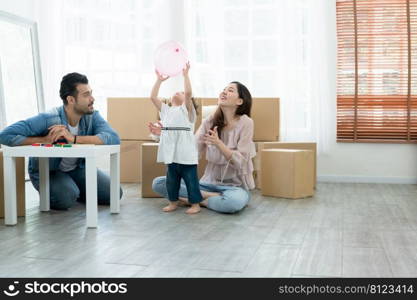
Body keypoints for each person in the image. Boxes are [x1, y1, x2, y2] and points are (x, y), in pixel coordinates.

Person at [0, 72, 122, 210]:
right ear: (71, 100)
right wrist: (44, 139)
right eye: (86, 95)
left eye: (91, 93)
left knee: (115, 193)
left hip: (77, 169)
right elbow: (5, 135)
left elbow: (113, 138)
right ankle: (68, 191)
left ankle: (75, 189)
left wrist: (73, 138)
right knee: (66, 198)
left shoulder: (92, 116)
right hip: (50, 171)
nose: (92, 99)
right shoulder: (49, 118)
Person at [150, 81, 255, 214]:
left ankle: (196, 199)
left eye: (230, 90)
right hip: (207, 184)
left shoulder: (246, 123)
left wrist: (218, 143)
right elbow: (191, 149)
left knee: (234, 202)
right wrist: (165, 133)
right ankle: (206, 197)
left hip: (234, 187)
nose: (224, 92)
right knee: (158, 183)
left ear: (240, 101)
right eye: (223, 89)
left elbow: (241, 161)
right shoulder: (209, 121)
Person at [149, 63, 203, 214]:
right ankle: (173, 201)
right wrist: (159, 80)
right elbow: (152, 97)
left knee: (191, 180)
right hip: (170, 154)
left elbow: (188, 93)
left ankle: (195, 204)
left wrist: (185, 76)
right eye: (176, 91)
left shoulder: (186, 111)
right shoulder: (166, 111)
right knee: (171, 180)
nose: (177, 93)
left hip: (186, 155)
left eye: (180, 92)